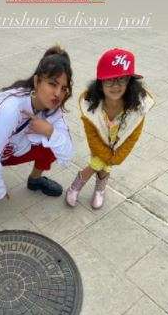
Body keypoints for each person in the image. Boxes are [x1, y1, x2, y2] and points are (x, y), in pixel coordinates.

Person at [0, 46, 74, 217]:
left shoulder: (54, 111)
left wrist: (49, 132)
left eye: (63, 88)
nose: (57, 93)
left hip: (9, 150)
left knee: (54, 140)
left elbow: (67, 155)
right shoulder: (10, 108)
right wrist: (0, 191)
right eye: (52, 84)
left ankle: (35, 180)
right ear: (37, 81)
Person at [66, 47, 154, 209]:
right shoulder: (90, 104)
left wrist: (117, 157)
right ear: (100, 83)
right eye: (109, 80)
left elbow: (133, 137)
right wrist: (108, 157)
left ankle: (80, 183)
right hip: (99, 141)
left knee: (103, 163)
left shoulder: (137, 107)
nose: (116, 86)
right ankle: (98, 188)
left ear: (130, 81)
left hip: (117, 144)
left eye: (122, 79)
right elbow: (92, 137)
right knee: (100, 161)